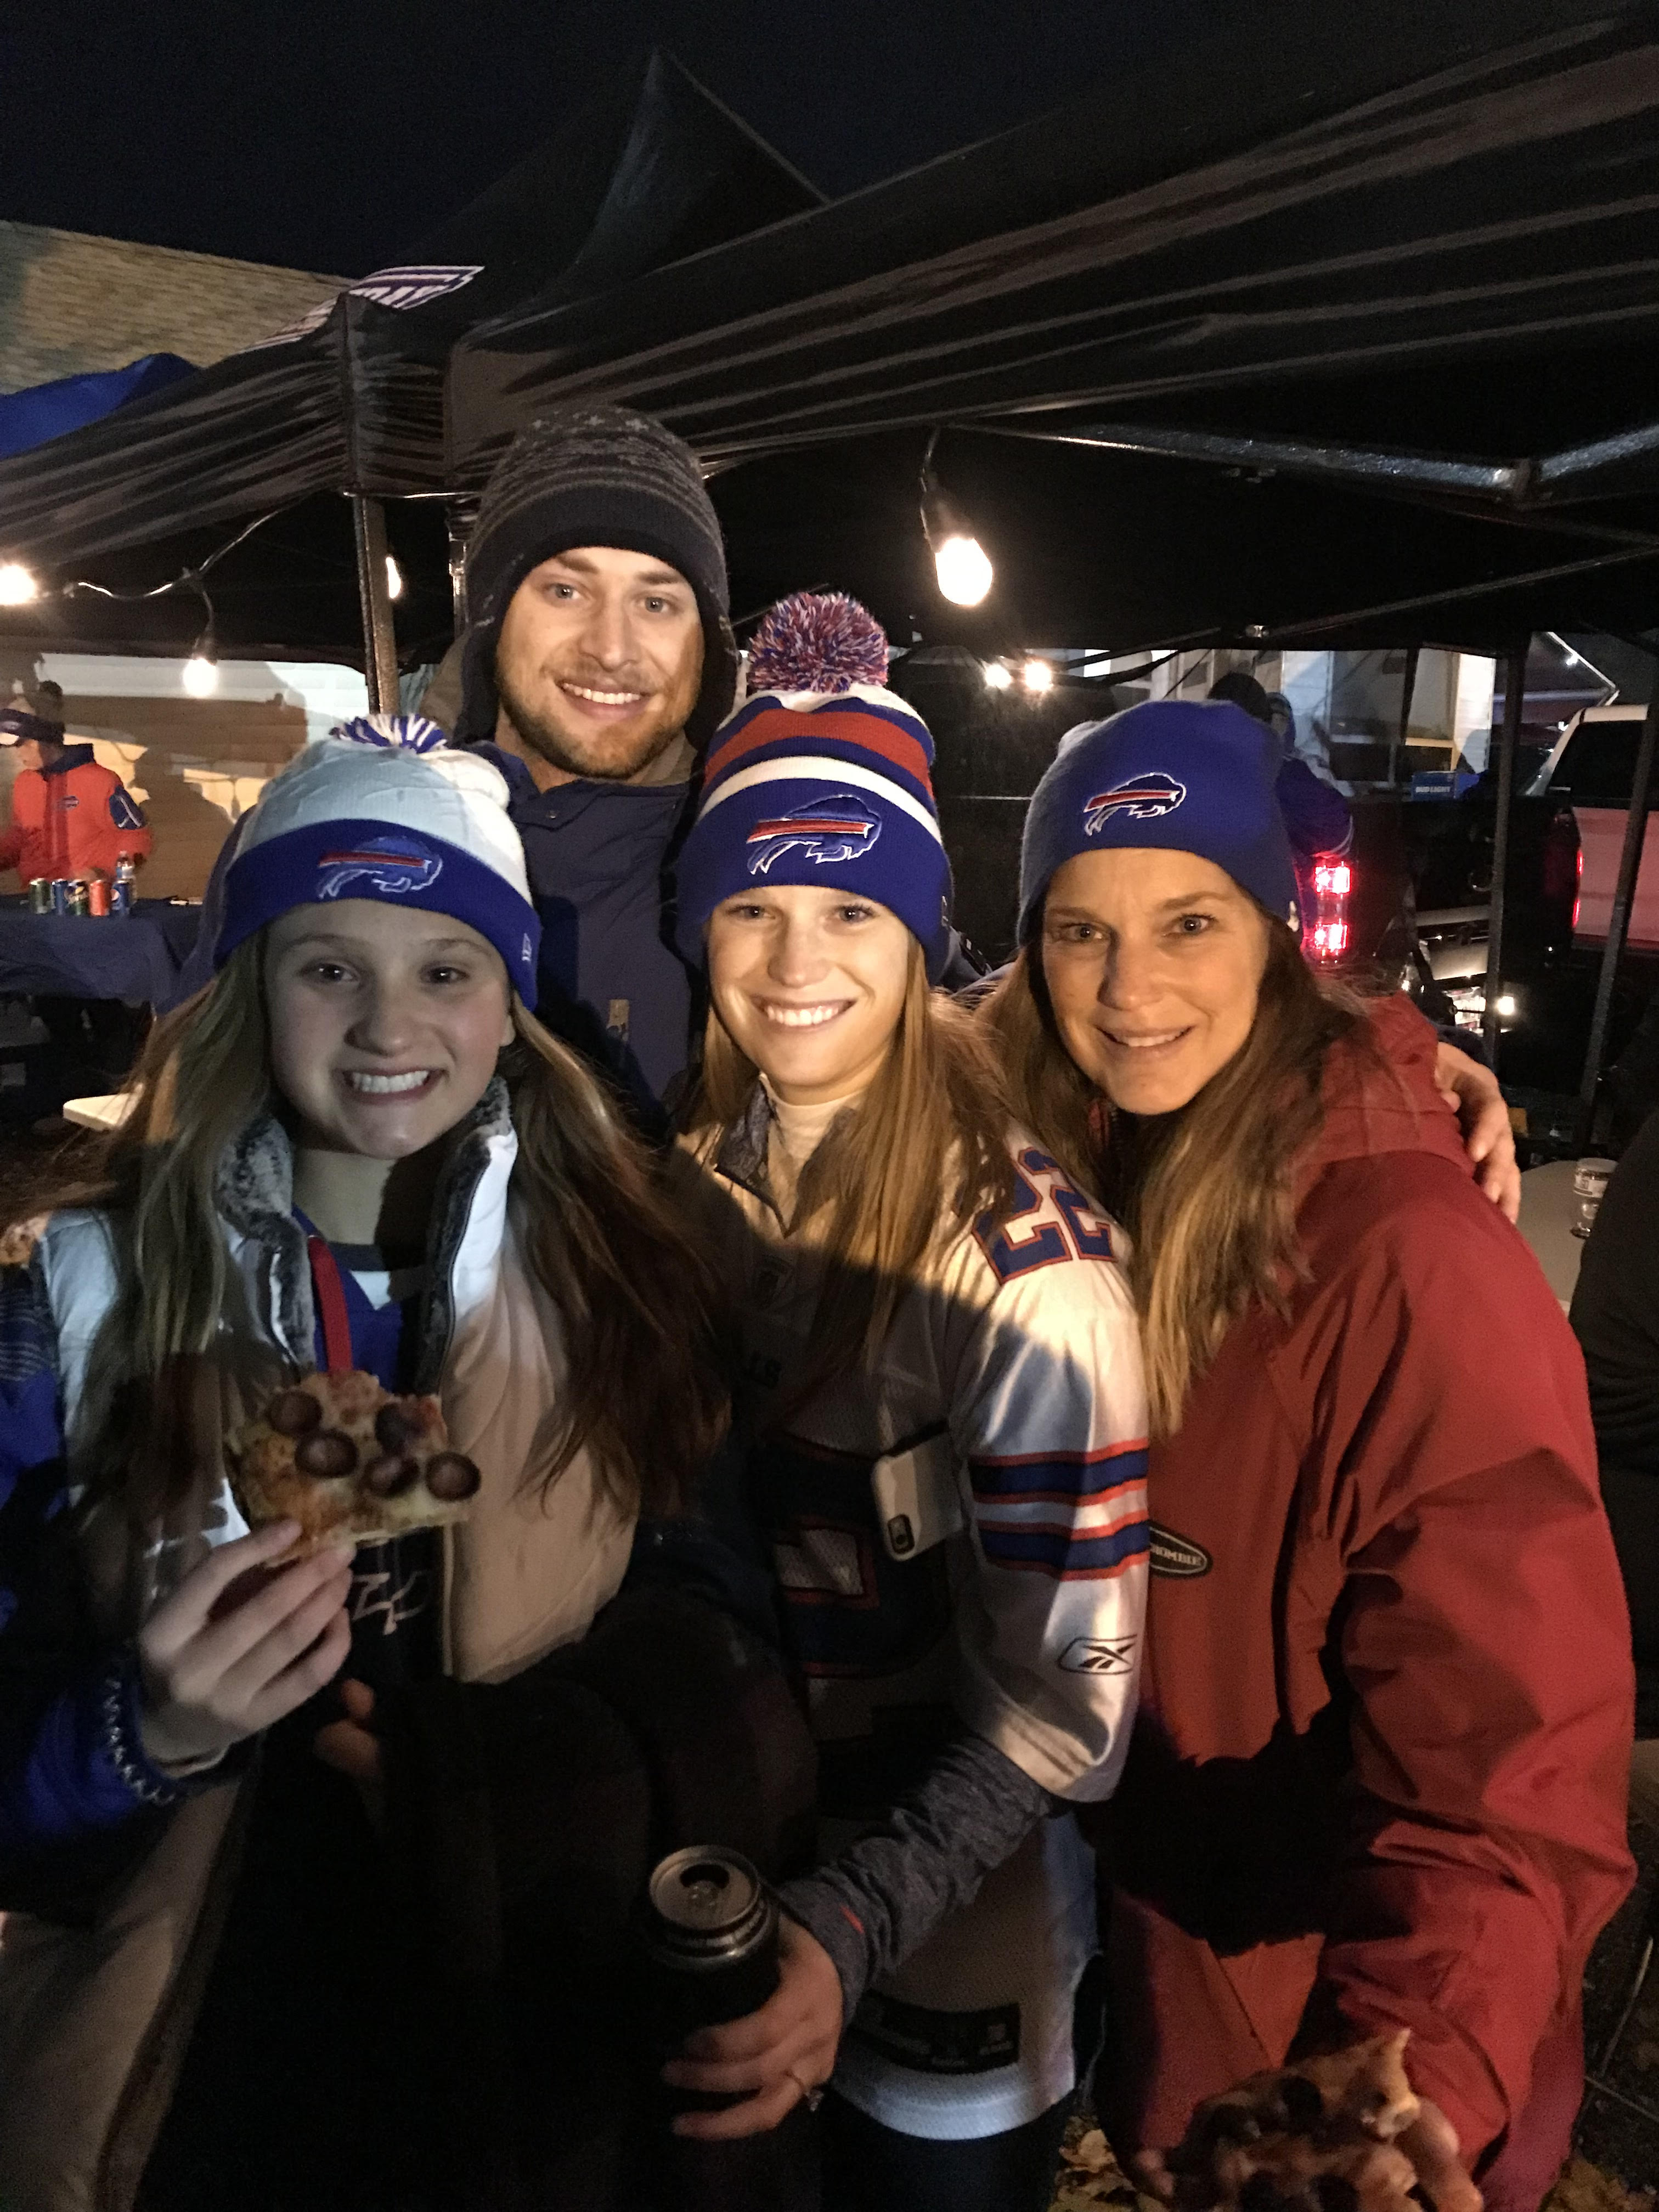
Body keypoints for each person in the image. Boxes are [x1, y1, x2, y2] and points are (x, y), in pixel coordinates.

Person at [0, 715, 806, 2212]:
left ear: (511, 1007)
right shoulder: (74, 1300)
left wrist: (514, 1776)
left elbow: (725, 1625)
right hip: (207, 2079)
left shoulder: (624, 1277)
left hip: (537, 2039)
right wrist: (141, 1732)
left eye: (445, 970)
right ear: (249, 988)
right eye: (329, 968)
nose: (388, 1026)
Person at [982, 698, 1635, 2212]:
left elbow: (1510, 1752)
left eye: (1191, 922)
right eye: (1080, 931)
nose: (1131, 986)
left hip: (1336, 2072)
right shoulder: (1087, 1158)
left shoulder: (1410, 1261)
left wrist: (1403, 2069)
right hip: (1186, 2006)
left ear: (1279, 937)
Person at [663, 596, 1149, 2212]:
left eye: (853, 911)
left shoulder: (1029, 1275)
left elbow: (1069, 1709)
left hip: (946, 1950)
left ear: (921, 930)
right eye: (752, 905)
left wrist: (852, 1924)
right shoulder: (696, 1177)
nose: (797, 964)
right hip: (730, 1875)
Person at [0, 693, 151, 884]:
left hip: (84, 897)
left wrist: (102, 873)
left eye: (23, 744)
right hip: (36, 896)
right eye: (14, 747)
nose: (19, 753)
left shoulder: (99, 781)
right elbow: (21, 838)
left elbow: (138, 838)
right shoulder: (25, 783)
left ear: (45, 739)